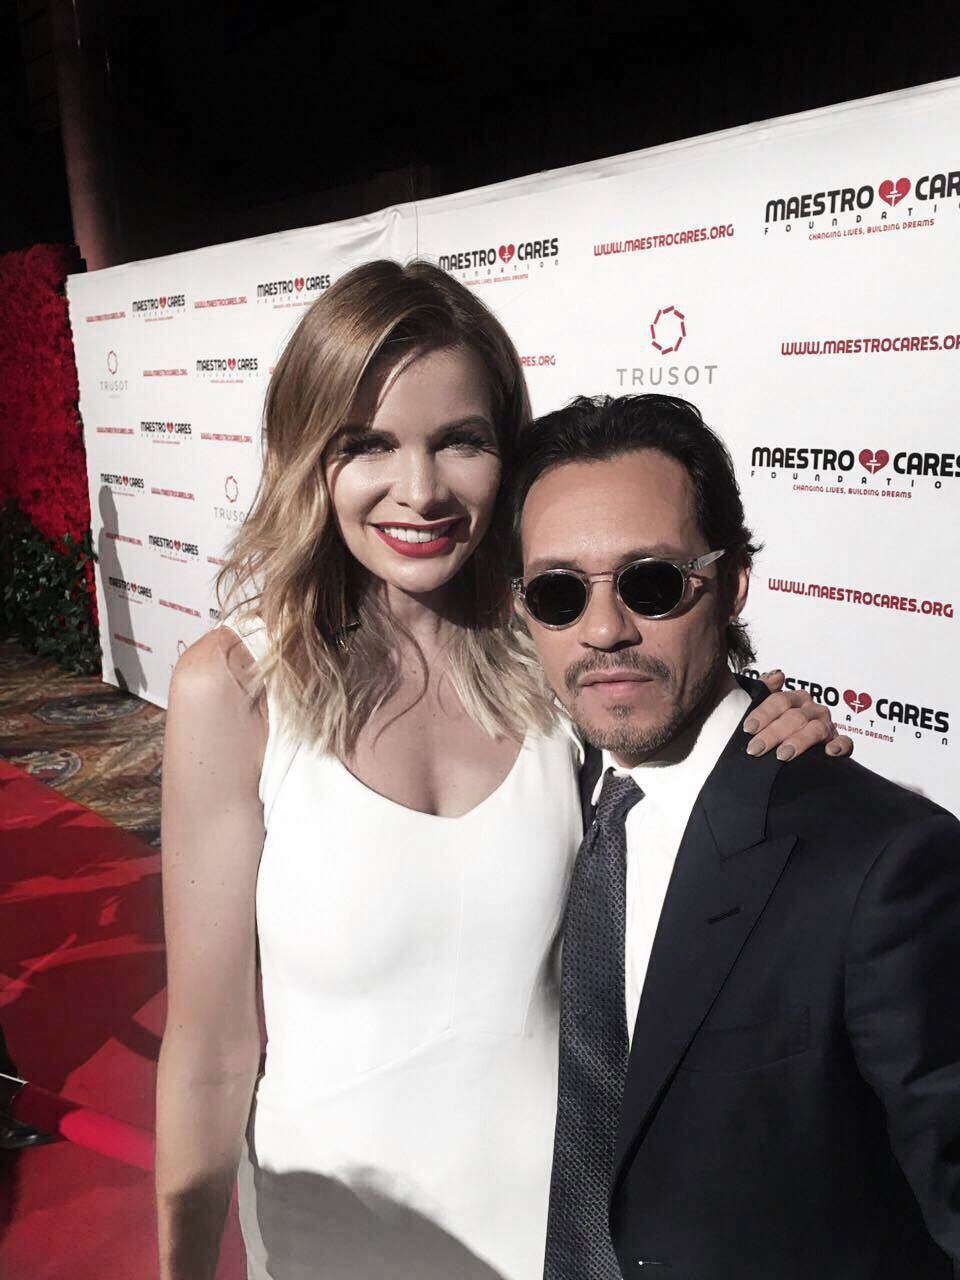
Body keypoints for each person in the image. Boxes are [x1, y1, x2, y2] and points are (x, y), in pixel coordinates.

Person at [155, 263, 849, 1280]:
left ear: (506, 452)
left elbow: (684, 776)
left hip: (564, 1236)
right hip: (330, 1246)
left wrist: (769, 731)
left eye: (460, 441)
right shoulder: (236, 688)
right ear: (310, 456)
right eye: (368, 445)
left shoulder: (549, 649)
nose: (421, 490)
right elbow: (209, 1051)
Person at [511, 392, 960, 1280]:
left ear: (733, 584)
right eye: (559, 593)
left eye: (651, 582)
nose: (603, 630)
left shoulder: (882, 865)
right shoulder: (542, 788)